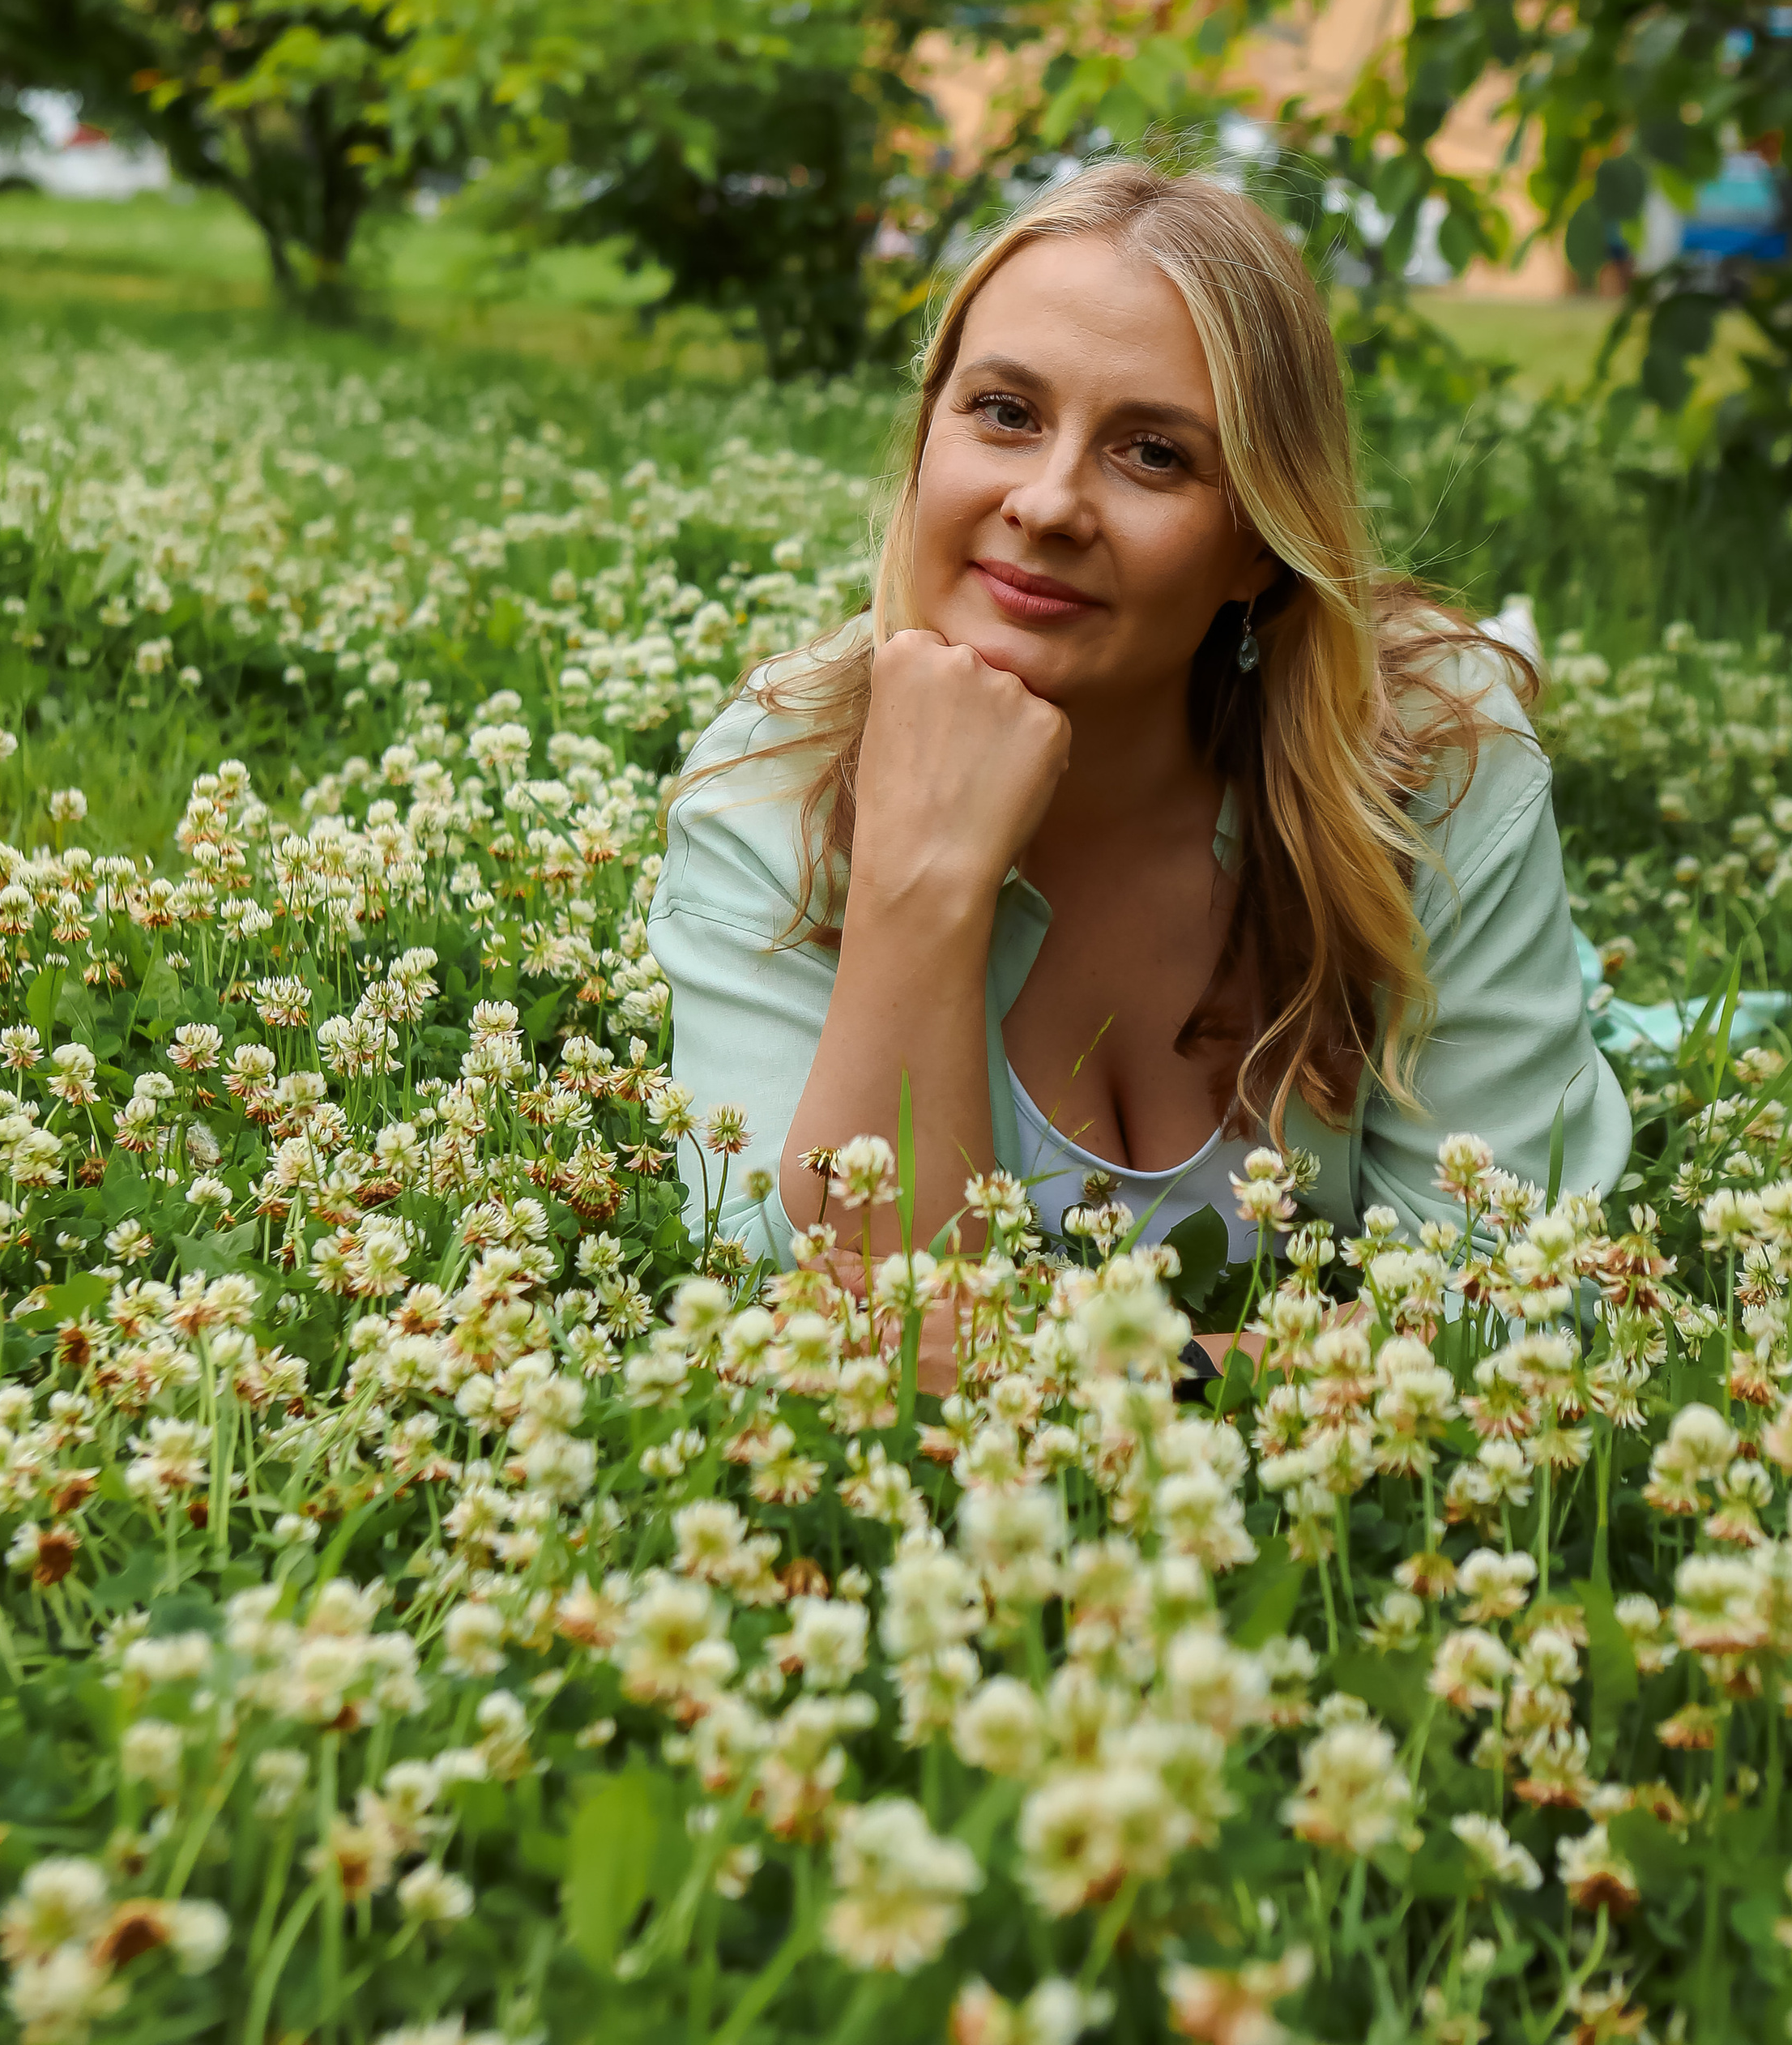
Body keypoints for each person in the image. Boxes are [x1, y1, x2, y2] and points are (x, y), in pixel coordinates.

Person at [648, 158, 1628, 1321]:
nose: (1051, 504)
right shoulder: (777, 780)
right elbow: (858, 1323)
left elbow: (1515, 1283)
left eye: (1153, 453)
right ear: (926, 445)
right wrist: (924, 881)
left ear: (1262, 539)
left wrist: (1137, 1378)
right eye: (1004, 414)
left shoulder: (1431, 753)